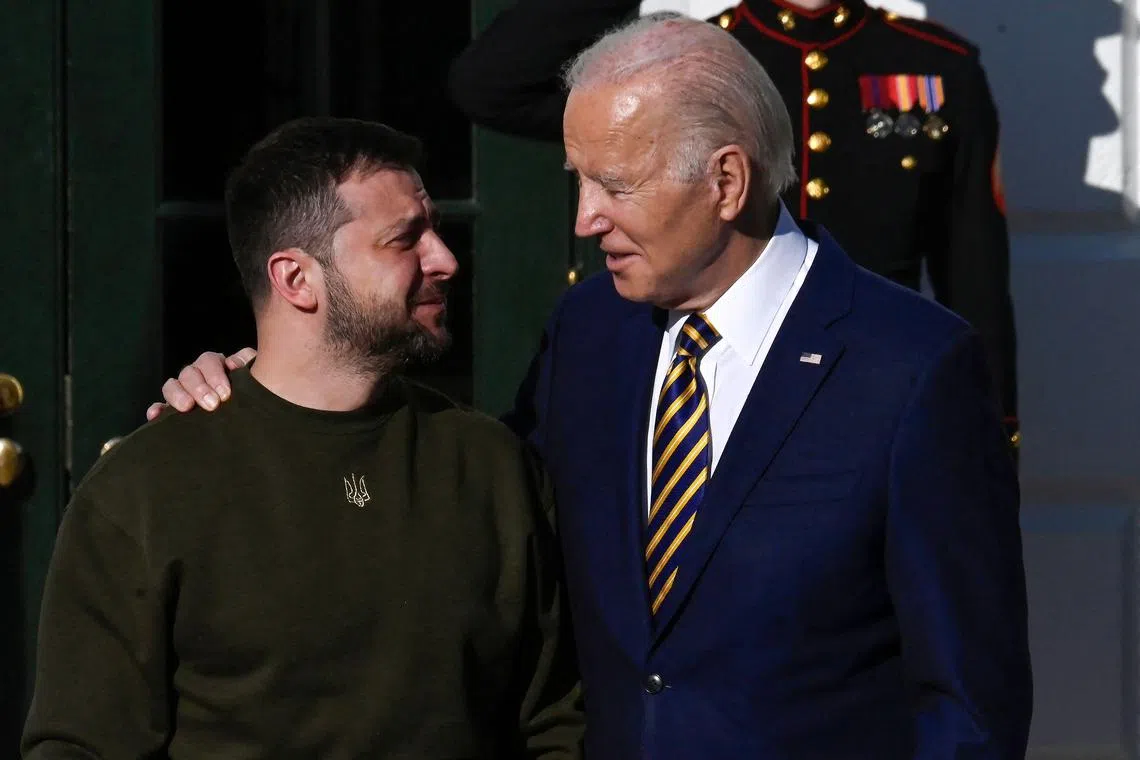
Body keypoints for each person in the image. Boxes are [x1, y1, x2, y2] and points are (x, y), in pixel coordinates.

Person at [149, 16, 1032, 759]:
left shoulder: (911, 366)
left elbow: (968, 703)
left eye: (615, 185)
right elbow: (475, 511)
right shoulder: (593, 330)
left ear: (725, 181)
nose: (584, 219)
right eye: (580, 182)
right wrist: (262, 399)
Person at [22, 117, 584, 759]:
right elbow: (80, 746)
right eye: (405, 240)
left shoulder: (491, 467)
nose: (445, 260)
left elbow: (554, 721)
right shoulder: (145, 492)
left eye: (436, 230)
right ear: (296, 279)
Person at [447, 0, 1022, 454]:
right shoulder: (699, 63)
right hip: (711, 382)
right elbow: (491, 84)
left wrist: (990, 438)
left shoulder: (937, 68)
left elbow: (974, 277)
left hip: (872, 394)